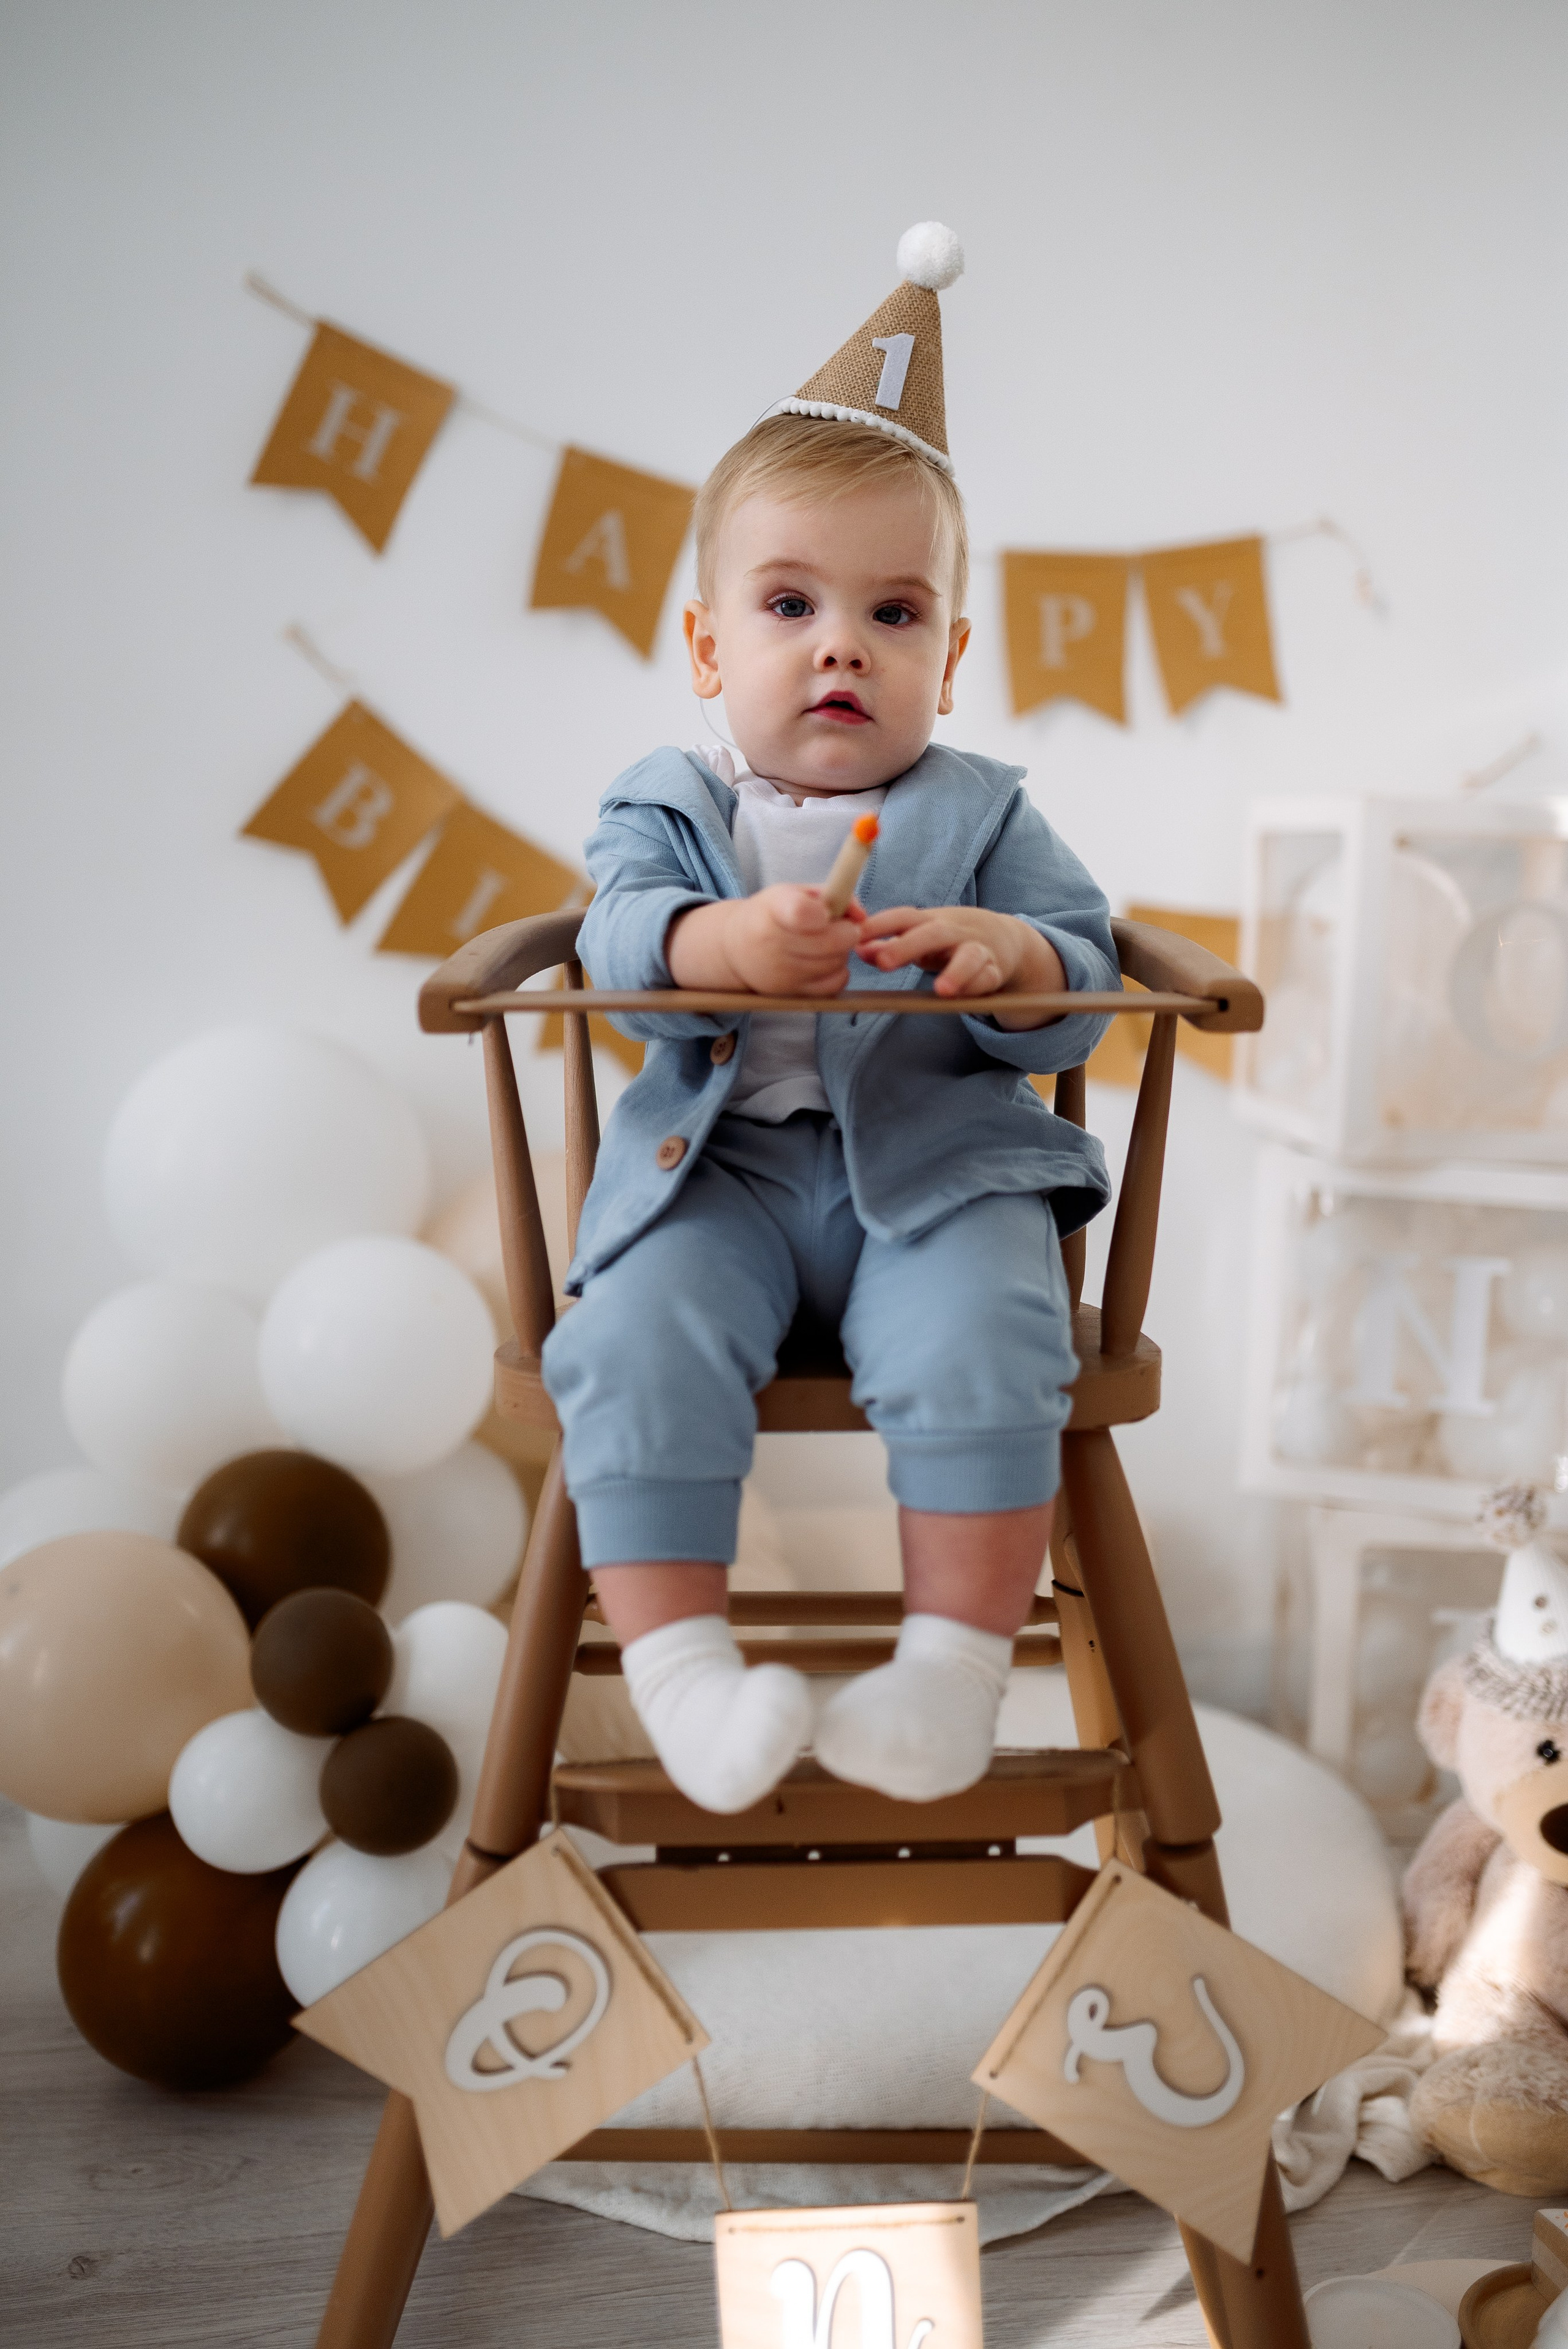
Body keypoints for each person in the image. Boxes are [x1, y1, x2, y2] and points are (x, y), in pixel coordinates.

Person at [542, 227, 1118, 1812]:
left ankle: (947, 1671)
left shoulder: (984, 810)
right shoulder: (667, 799)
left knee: (992, 1327)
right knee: (629, 1336)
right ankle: (684, 1676)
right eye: (790, 602)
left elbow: (1087, 965)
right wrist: (718, 939)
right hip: (705, 1177)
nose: (841, 643)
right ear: (711, 644)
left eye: (895, 610)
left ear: (950, 653)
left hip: (929, 1175)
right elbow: (610, 933)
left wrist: (1008, 956)